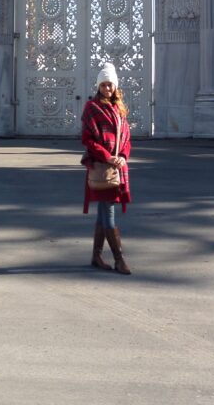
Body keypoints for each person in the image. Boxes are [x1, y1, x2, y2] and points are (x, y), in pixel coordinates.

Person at [80, 62, 132, 275]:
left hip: (115, 168)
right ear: (98, 86)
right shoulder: (92, 108)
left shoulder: (120, 109)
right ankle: (119, 259)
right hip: (101, 167)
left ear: (115, 86)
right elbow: (87, 139)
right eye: (103, 85)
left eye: (110, 84)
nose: (106, 89)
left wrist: (121, 156)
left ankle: (96, 256)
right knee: (108, 213)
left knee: (103, 213)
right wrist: (108, 156)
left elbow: (127, 138)